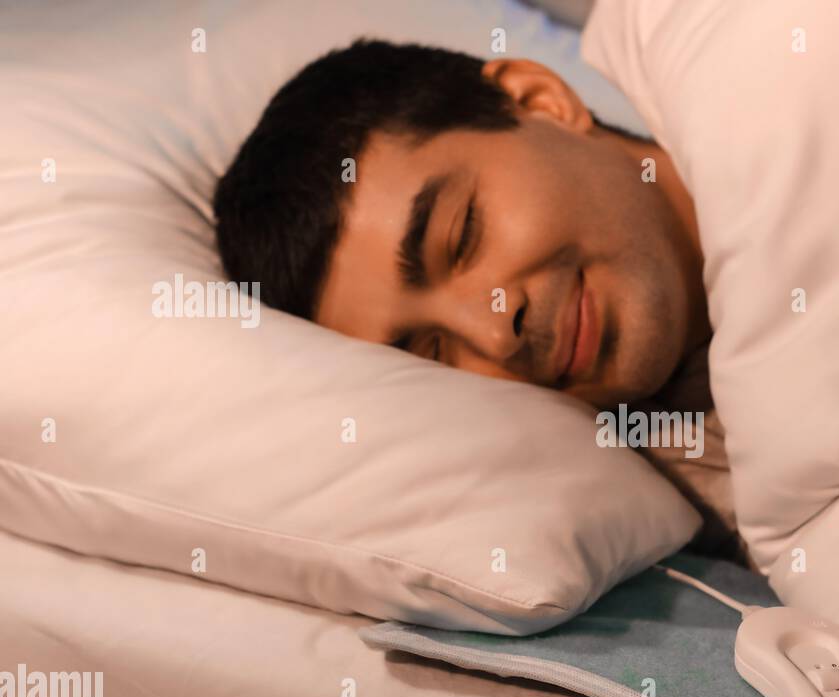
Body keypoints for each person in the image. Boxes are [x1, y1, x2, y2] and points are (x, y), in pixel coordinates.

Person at [214, 40, 746, 562]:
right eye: (433, 354)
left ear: (542, 101)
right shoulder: (691, 499)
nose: (496, 335)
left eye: (461, 235)